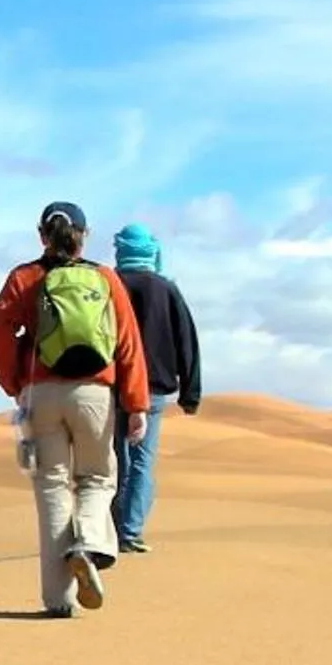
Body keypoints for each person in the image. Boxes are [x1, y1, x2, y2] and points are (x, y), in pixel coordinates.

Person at [0, 201, 149, 618]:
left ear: (42, 234)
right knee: (97, 478)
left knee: (52, 488)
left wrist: (16, 384)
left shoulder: (24, 278)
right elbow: (128, 344)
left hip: (42, 394)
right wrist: (137, 405)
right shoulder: (105, 278)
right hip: (95, 393)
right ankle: (90, 544)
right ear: (84, 235)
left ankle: (58, 599)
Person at [110, 223, 202, 554]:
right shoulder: (166, 289)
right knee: (141, 462)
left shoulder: (108, 284)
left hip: (112, 387)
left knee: (115, 460)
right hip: (154, 390)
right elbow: (187, 342)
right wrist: (191, 394)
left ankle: (111, 530)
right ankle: (129, 532)